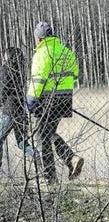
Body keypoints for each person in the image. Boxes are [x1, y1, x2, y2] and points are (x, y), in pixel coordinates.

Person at [26, 21, 84, 184]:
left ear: (39, 38)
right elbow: (75, 75)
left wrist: (30, 100)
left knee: (41, 136)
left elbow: (38, 80)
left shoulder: (42, 53)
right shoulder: (65, 51)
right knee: (48, 132)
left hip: (46, 99)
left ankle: (50, 177)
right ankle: (71, 159)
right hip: (64, 98)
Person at [0, 47, 39, 169]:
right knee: (22, 142)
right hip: (21, 110)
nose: (3, 57)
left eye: (5, 55)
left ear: (8, 57)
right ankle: (37, 157)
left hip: (10, 111)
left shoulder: (6, 70)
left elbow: (3, 90)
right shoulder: (21, 70)